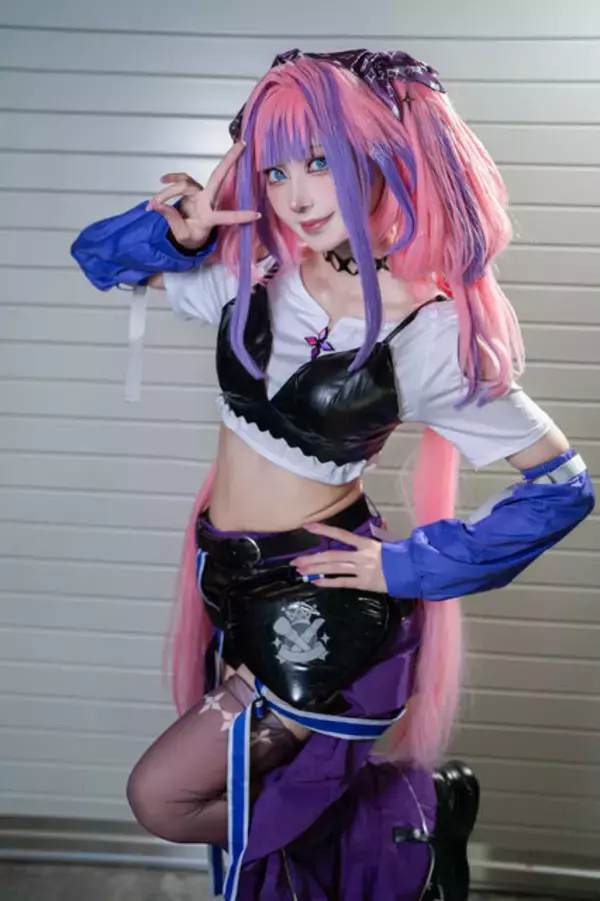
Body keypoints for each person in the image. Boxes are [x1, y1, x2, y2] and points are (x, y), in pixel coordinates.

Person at [71, 49, 594, 901]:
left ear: (386, 159)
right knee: (258, 814)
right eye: (276, 170)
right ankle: (416, 813)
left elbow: (563, 486)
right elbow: (96, 259)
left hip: (318, 605)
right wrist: (179, 234)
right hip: (229, 582)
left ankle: (411, 821)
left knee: (164, 797)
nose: (296, 195)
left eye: (321, 162)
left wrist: (406, 566)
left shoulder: (427, 331)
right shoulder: (256, 271)